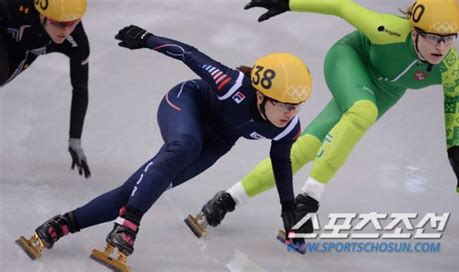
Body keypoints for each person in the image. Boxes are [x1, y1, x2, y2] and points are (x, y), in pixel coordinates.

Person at [16, 25, 313, 270]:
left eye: (297, 107)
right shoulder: (233, 84)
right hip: (186, 104)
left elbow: (281, 160)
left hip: (217, 142)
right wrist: (146, 39)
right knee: (186, 144)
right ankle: (128, 225)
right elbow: (190, 54)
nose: (290, 113)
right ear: (261, 95)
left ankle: (61, 225)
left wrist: (287, 206)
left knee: (139, 188)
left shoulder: (287, 126)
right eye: (285, 105)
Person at [194, 0, 459, 246]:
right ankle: (309, 199)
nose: (442, 47)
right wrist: (288, 3)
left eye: (449, 39)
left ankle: (227, 199)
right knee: (364, 111)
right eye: (435, 38)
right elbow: (340, 5)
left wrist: (454, 149)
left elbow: (455, 98)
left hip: (384, 91)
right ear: (415, 32)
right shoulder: (385, 29)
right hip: (349, 59)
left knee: (304, 148)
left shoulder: (451, 67)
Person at [1, 0, 91, 178]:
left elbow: (80, 89)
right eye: (58, 23)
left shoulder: (77, 41)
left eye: (72, 24)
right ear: (42, 14)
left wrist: (75, 140)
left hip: (23, 49)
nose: (64, 31)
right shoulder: (15, 7)